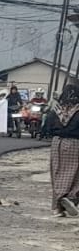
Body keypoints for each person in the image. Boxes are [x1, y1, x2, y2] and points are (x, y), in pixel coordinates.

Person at [42, 83, 79, 216]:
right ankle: (70, 198)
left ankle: (57, 207)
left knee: (58, 173)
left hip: (57, 143)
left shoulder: (56, 110)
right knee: (75, 174)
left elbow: (47, 127)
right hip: (75, 143)